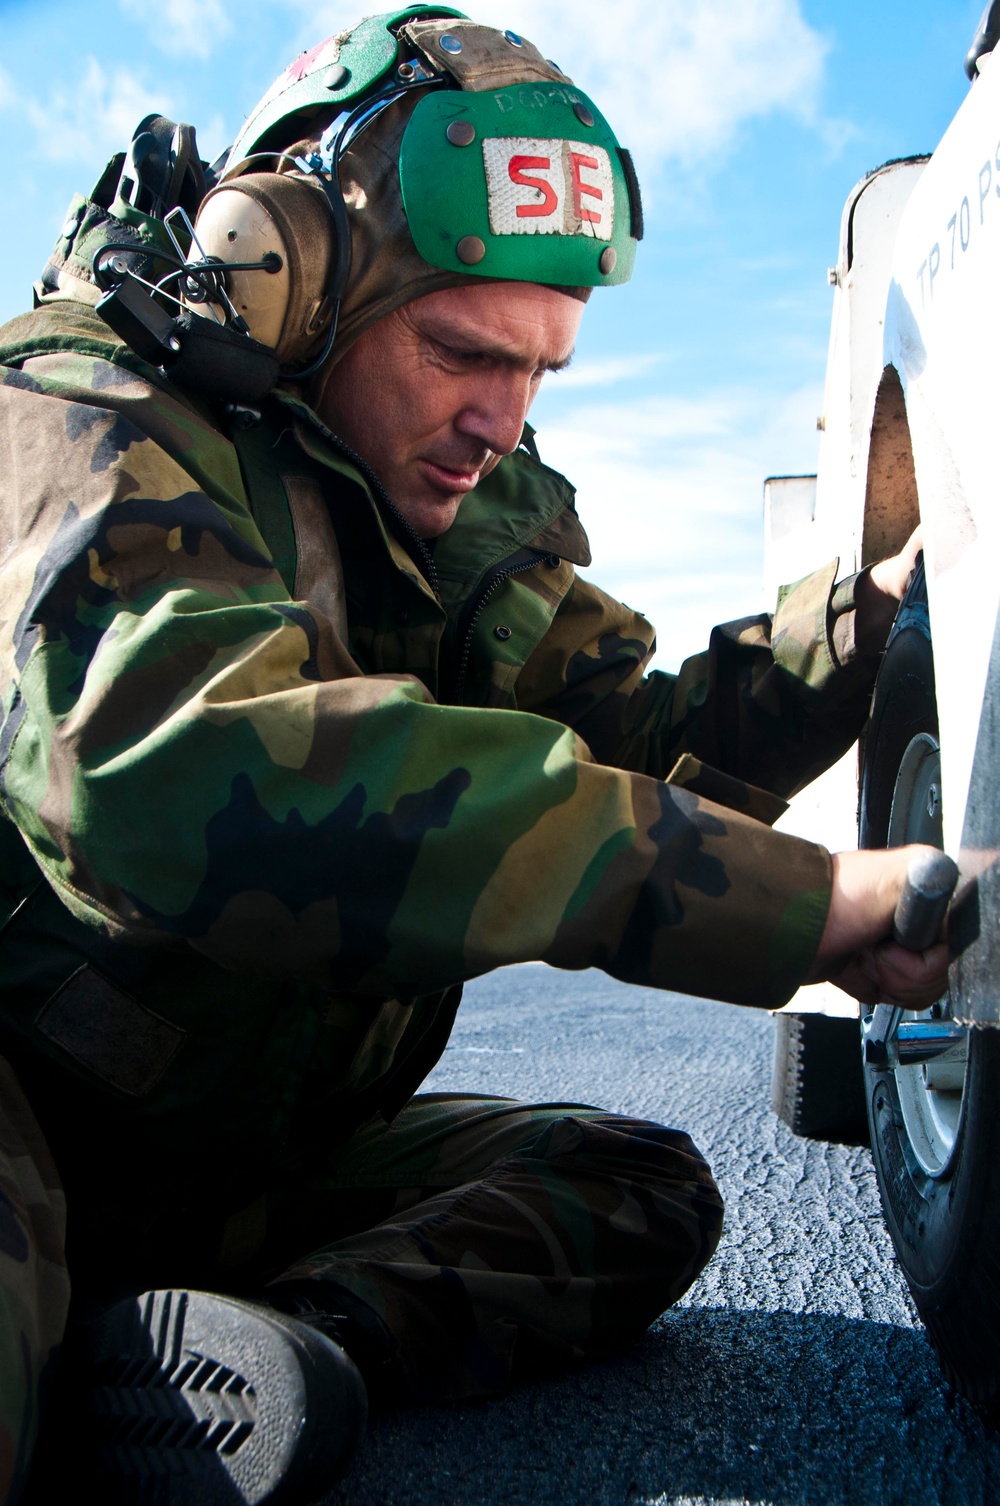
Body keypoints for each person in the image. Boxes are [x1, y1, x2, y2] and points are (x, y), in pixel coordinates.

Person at [0, 9, 948, 1503]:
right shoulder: (86, 415)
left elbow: (648, 736)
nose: (500, 422)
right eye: (460, 351)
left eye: (541, 372)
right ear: (288, 281)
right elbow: (188, 777)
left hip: (250, 1166)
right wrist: (807, 907)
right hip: (36, 1129)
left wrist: (871, 618)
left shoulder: (443, 513)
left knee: (628, 1188)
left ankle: (261, 1355)